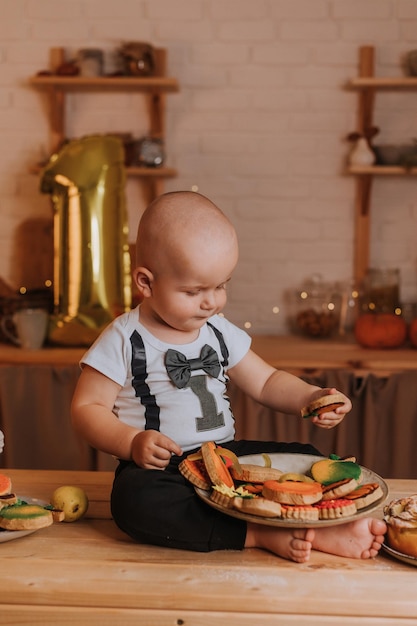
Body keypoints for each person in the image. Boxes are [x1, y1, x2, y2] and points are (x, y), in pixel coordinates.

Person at [71, 191, 386, 563]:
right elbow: (86, 407)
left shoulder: (217, 330)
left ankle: (318, 524)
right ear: (146, 282)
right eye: (193, 291)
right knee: (135, 502)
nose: (211, 302)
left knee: (305, 458)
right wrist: (131, 441)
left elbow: (266, 382)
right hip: (162, 467)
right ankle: (259, 532)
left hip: (224, 458)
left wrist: (308, 397)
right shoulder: (125, 337)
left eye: (221, 286)